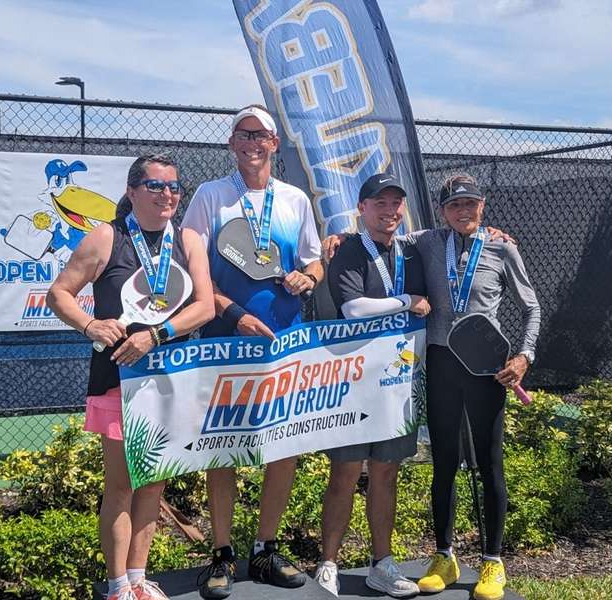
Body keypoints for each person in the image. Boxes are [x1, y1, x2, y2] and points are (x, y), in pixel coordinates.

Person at [47, 154, 215, 600]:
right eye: (156, 186)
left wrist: (157, 335)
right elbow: (59, 293)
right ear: (132, 191)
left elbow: (205, 306)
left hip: (171, 380)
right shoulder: (107, 237)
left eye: (175, 187)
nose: (168, 195)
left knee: (154, 483)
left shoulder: (189, 240)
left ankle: (139, 579)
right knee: (121, 486)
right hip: (118, 380)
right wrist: (90, 325)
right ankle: (118, 585)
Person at [180, 104, 324, 599]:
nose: (251, 142)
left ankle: (264, 549)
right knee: (223, 448)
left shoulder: (295, 199)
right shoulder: (210, 197)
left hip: (284, 344)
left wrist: (308, 276)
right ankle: (221, 554)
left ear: (274, 144)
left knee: (281, 446)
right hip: (222, 341)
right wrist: (231, 313)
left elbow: (314, 260)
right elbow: (193, 274)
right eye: (243, 134)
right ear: (231, 143)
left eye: (260, 134)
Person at [411, 174, 540, 600]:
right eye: (455, 205)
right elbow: (384, 234)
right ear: (442, 211)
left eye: (471, 203)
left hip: (487, 368)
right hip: (442, 362)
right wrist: (340, 239)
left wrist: (523, 357)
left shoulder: (502, 246)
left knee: (489, 463)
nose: (463, 211)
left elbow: (531, 306)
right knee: (444, 462)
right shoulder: (428, 242)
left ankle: (492, 562)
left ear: (482, 205)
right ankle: (444, 556)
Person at [315, 174, 428, 598]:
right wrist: (406, 301)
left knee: (386, 474)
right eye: (380, 203)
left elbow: (459, 233)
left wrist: (491, 232)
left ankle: (382, 564)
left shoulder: (412, 251)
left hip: (397, 383)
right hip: (352, 382)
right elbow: (354, 309)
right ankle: (328, 563)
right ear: (361, 209)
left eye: (396, 203)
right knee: (344, 473)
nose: (390, 211)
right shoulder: (347, 251)